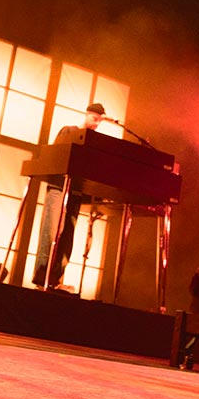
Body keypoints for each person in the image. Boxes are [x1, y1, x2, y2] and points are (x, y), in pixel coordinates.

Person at [39, 101, 113, 291]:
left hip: (76, 191)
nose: (96, 124)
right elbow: (56, 156)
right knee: (52, 230)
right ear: (87, 114)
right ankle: (42, 278)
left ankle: (56, 280)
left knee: (67, 235)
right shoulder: (68, 130)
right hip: (58, 186)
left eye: (99, 122)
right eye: (94, 119)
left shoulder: (94, 142)